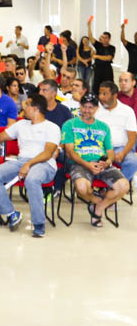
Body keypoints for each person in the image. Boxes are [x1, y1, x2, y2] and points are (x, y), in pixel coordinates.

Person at [0, 95, 60, 238]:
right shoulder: (21, 124)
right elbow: (0, 137)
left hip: (44, 163)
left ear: (35, 109)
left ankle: (38, 224)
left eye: (27, 105)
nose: (24, 108)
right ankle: (12, 214)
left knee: (32, 180)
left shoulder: (52, 127)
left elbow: (48, 153)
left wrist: (28, 164)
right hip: (21, 160)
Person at [60, 93, 130, 227]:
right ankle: (98, 200)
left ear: (96, 108)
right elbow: (69, 152)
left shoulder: (103, 127)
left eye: (90, 107)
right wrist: (87, 164)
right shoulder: (70, 124)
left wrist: (108, 162)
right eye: (84, 106)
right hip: (79, 164)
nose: (87, 110)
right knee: (81, 187)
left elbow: (110, 152)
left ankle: (98, 209)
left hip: (102, 164)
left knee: (124, 186)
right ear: (80, 106)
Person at [95, 81, 137, 184]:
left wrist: (123, 153)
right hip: (99, 148)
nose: (101, 97)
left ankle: (115, 188)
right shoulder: (95, 109)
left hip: (120, 148)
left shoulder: (127, 111)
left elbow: (132, 138)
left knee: (132, 162)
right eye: (100, 93)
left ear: (114, 95)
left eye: (105, 94)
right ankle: (102, 187)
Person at [87, 17, 115, 94]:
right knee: (96, 86)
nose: (103, 39)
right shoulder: (98, 45)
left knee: (109, 86)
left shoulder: (112, 48)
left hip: (107, 69)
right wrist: (89, 26)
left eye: (105, 38)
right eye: (102, 37)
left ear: (109, 39)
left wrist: (97, 56)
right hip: (98, 69)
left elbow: (109, 58)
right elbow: (90, 37)